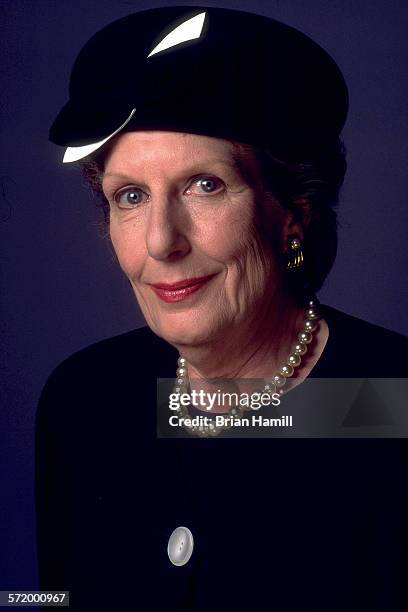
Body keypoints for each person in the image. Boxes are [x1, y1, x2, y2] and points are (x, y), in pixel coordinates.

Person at [35, 6, 408, 611]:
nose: (161, 241)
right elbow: (49, 599)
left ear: (291, 214)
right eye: (129, 197)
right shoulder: (85, 399)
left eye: (204, 185)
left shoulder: (391, 399)